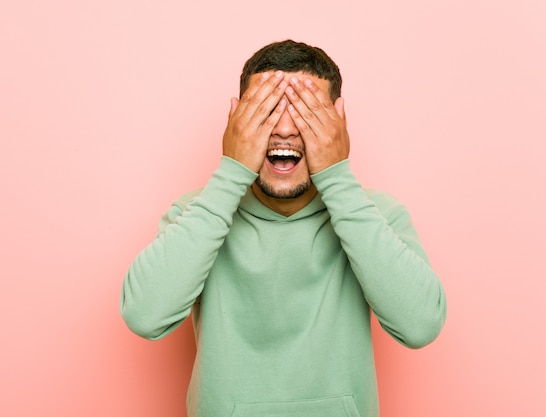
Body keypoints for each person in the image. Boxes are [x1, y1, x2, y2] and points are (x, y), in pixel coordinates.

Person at [120, 39, 447, 417]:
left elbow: (421, 325)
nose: (287, 129)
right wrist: (231, 172)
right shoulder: (199, 214)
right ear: (237, 121)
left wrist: (337, 177)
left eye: (308, 114)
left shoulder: (375, 215)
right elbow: (144, 316)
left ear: (338, 124)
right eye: (268, 111)